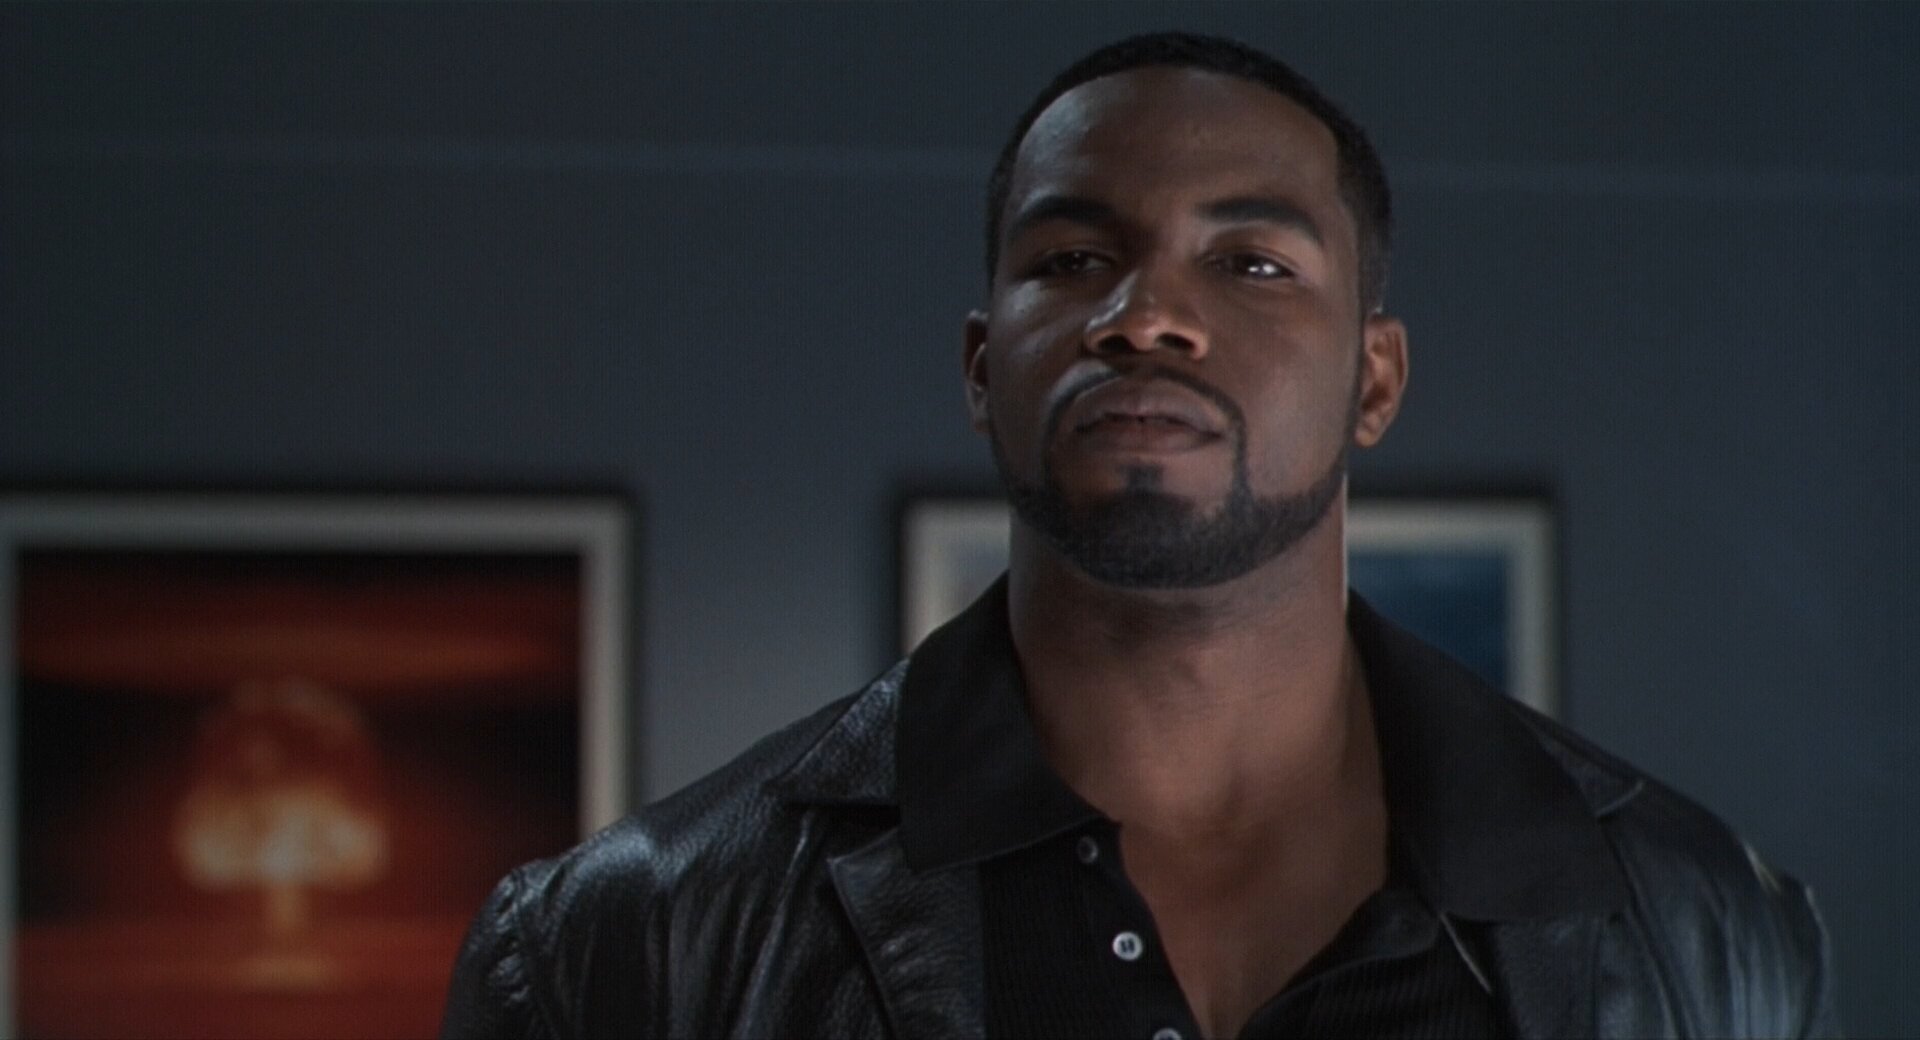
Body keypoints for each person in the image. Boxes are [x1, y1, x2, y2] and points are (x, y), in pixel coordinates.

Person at [441, 31, 1835, 1039]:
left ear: (1374, 380)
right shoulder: (619, 945)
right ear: (982, 369)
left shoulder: (1704, 927)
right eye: (1073, 261)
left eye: (1251, 262)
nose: (1146, 315)